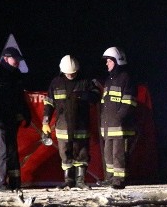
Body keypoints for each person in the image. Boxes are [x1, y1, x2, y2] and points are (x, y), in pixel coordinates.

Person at [42, 55, 100, 188]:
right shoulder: (56, 83)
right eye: (68, 73)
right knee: (65, 153)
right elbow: (49, 103)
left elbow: (96, 95)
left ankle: (80, 181)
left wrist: (84, 95)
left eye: (73, 73)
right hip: (63, 126)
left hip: (81, 125)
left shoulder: (85, 82)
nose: (71, 75)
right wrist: (45, 121)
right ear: (62, 71)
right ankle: (69, 181)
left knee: (82, 153)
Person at [0, 46, 30, 191]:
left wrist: (26, 114)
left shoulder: (16, 75)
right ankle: (0, 183)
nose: (17, 62)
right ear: (6, 57)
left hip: (11, 119)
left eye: (19, 60)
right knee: (1, 151)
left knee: (8, 151)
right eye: (15, 59)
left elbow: (20, 97)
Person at [98, 47, 136, 189]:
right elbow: (105, 104)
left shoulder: (125, 78)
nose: (107, 64)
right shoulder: (108, 80)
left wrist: (119, 118)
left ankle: (119, 180)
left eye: (109, 61)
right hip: (109, 126)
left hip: (120, 127)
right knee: (108, 154)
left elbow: (128, 102)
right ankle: (110, 178)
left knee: (118, 154)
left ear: (116, 61)